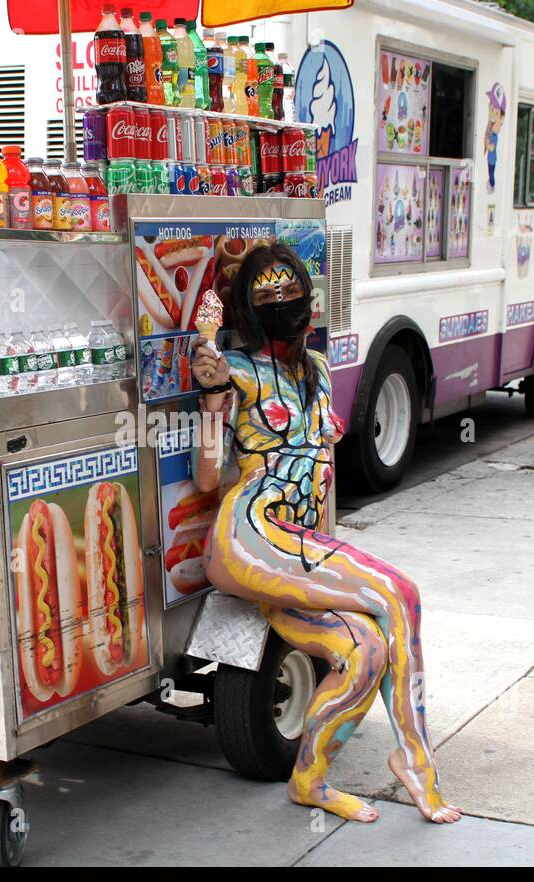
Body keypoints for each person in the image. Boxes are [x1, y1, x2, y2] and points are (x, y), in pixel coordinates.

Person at [190, 243, 461, 825]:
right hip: (253, 535)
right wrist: (212, 395)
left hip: (299, 549)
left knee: (364, 650)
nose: (284, 305)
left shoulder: (315, 370)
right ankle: (416, 760)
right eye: (268, 297)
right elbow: (209, 476)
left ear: (309, 300)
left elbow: (323, 464)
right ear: (249, 310)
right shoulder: (239, 372)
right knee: (400, 595)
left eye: (291, 293)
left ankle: (309, 780)